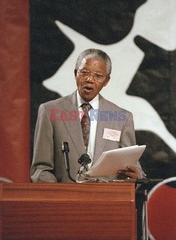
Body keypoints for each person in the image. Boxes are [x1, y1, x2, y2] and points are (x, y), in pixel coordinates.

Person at [30, 48, 144, 182]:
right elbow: (41, 169)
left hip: (106, 199)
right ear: (75, 74)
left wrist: (136, 177)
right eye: (84, 72)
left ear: (106, 81)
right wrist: (61, 194)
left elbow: (133, 168)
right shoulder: (50, 111)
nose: (90, 79)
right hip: (65, 199)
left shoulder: (122, 118)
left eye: (98, 75)